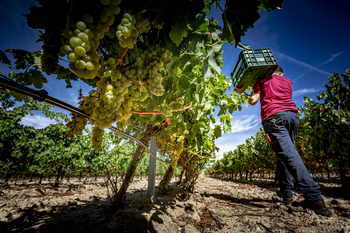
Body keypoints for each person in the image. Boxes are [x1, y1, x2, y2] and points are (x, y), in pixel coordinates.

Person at [234, 66, 331, 217]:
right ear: (282, 73)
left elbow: (253, 101)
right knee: (284, 156)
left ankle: (315, 198)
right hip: (292, 117)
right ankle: (287, 195)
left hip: (274, 118)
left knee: (288, 155)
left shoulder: (263, 80)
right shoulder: (288, 82)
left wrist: (242, 91)